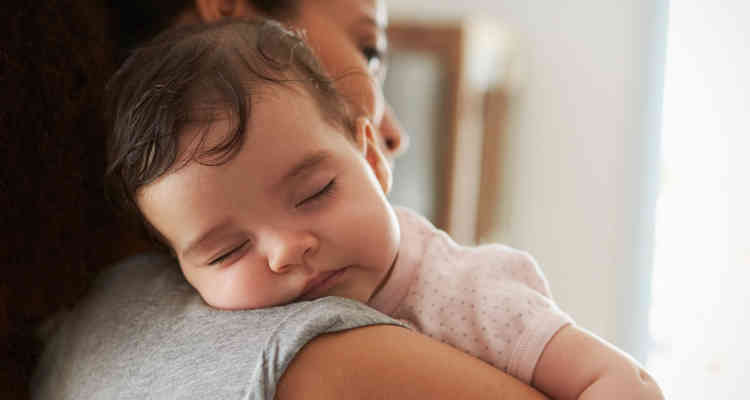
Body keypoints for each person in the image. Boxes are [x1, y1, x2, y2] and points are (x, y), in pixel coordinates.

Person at [105, 19, 664, 400]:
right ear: (180, 270)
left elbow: (622, 381)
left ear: (370, 156)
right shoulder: (191, 325)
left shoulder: (470, 295)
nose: (284, 250)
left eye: (314, 192)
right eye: (228, 251)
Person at [31, 1, 555, 399]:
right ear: (227, 11)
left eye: (314, 191)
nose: (394, 134)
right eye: (369, 53)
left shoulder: (79, 326)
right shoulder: (317, 362)